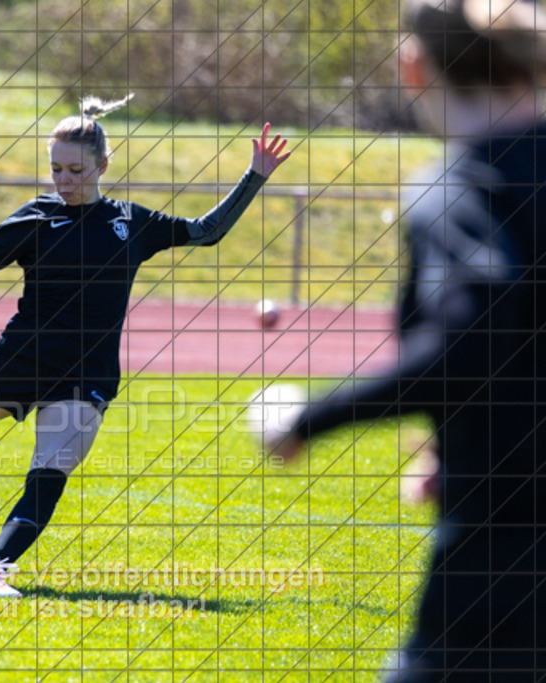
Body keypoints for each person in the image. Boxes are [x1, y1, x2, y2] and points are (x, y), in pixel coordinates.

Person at [0, 95, 291, 598]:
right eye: (55, 169)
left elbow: (206, 232)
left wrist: (255, 175)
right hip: (19, 358)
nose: (63, 179)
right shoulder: (35, 217)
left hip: (87, 373)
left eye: (75, 169)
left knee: (50, 469)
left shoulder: (131, 223)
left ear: (102, 165)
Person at [259, 0, 546, 678]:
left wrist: (304, 418)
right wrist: (462, 444)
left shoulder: (463, 187)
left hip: (502, 560)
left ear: (413, 66)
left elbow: (467, 347)